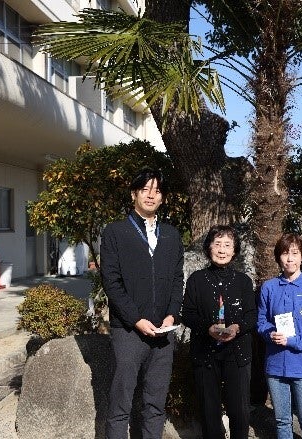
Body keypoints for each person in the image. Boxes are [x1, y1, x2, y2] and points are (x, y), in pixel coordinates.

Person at [100, 168, 184, 439]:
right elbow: (111, 282)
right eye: (145, 189)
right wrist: (136, 319)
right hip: (128, 330)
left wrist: (171, 315)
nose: (151, 195)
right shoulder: (115, 232)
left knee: (155, 403)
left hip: (163, 331)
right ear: (134, 194)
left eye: (157, 191)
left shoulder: (171, 234)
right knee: (120, 403)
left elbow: (177, 280)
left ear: (163, 198)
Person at [181, 225, 256, 439]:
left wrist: (237, 327)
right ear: (209, 248)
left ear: (234, 250)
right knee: (209, 411)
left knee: (239, 411)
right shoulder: (197, 279)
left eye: (227, 245)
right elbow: (188, 314)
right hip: (205, 352)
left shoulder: (243, 281)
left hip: (237, 353)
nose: (222, 250)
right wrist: (208, 328)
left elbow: (252, 315)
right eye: (217, 244)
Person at [257, 233, 302, 439]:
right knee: (282, 422)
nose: (290, 259)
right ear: (278, 257)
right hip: (276, 366)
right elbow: (261, 322)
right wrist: (270, 333)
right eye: (285, 253)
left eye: (295, 253)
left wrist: (292, 341)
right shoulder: (269, 288)